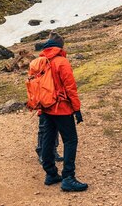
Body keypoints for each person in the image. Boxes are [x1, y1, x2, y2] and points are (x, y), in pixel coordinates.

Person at [38, 32, 88, 192]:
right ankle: (68, 177)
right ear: (60, 46)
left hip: (46, 107)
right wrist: (77, 109)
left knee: (49, 138)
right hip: (61, 108)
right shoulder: (62, 62)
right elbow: (70, 88)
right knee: (70, 140)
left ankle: (50, 173)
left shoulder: (40, 61)